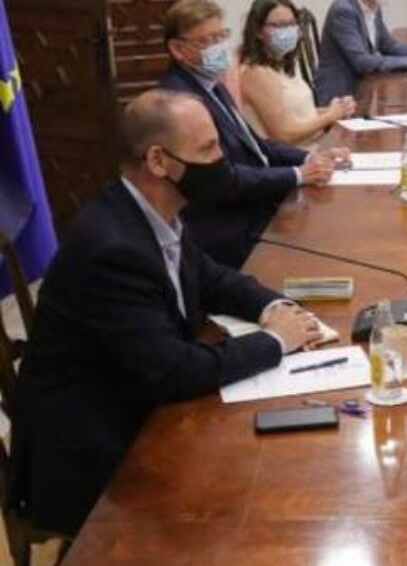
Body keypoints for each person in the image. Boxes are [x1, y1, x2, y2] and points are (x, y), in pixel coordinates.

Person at [8, 90, 328, 535]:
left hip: (138, 400)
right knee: (246, 506)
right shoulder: (112, 248)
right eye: (208, 150)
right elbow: (172, 372)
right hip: (91, 449)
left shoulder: (154, 212)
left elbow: (212, 278)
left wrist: (277, 307)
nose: (221, 161)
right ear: (158, 161)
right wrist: (275, 341)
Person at [158, 0, 346, 268]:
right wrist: (297, 175)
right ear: (177, 49)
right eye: (206, 41)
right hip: (230, 227)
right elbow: (224, 179)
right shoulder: (181, 101)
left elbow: (256, 144)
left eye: (221, 37)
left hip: (255, 205)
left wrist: (307, 158)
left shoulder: (210, 85)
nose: (218, 47)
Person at [239, 0, 356, 148]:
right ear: (258, 31)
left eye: (292, 24)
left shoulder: (284, 63)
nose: (288, 30)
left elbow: (300, 115)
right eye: (279, 25)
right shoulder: (256, 72)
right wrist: (330, 116)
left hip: (313, 150)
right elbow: (284, 134)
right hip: (290, 159)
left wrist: (336, 109)